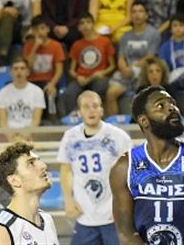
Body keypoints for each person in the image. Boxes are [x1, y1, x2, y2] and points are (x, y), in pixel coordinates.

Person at [111, 87, 184, 244]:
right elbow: (126, 232)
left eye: (173, 103)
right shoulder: (125, 166)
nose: (172, 108)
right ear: (144, 121)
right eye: (160, 105)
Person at [57, 90, 133, 245]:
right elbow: (66, 170)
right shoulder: (70, 137)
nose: (91, 110)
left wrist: (124, 205)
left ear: (102, 110)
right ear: (79, 112)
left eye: (95, 106)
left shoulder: (119, 137)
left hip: (113, 216)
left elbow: (130, 173)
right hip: (84, 215)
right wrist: (68, 200)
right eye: (86, 107)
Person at [0, 142, 60, 244]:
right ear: (14, 181)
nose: (43, 166)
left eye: (39, 160)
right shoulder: (0, 232)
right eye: (31, 163)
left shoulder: (47, 219)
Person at [108, 3, 162, 115]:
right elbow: (121, 58)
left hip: (144, 72)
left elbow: (150, 56)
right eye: (134, 12)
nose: (137, 15)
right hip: (126, 72)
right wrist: (124, 68)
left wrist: (132, 68)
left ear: (146, 15)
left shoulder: (154, 34)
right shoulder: (125, 36)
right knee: (111, 93)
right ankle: (114, 123)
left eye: (140, 11)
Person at [64, 14, 117, 116]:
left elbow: (112, 66)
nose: (85, 26)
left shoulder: (105, 41)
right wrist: (77, 76)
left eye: (88, 22)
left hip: (98, 77)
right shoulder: (76, 45)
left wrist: (102, 73)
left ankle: (93, 115)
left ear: (93, 24)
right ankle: (72, 117)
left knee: (100, 86)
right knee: (70, 92)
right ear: (78, 28)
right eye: (82, 23)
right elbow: (71, 70)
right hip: (82, 78)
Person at [22, 17, 64, 117]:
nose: (39, 32)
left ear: (48, 29)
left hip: (48, 81)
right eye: (36, 29)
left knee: (49, 92)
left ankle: (50, 118)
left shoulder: (56, 46)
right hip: (31, 81)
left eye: (42, 28)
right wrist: (35, 47)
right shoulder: (28, 46)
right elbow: (27, 67)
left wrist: (52, 84)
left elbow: (59, 70)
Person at [0, 58, 45, 132]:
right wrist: (10, 136)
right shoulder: (2, 93)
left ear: (28, 72)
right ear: (11, 72)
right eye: (15, 68)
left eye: (22, 68)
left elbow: (36, 120)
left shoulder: (37, 92)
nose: (19, 71)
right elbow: (2, 122)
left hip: (30, 133)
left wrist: (25, 135)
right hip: (8, 133)